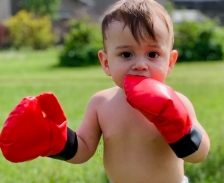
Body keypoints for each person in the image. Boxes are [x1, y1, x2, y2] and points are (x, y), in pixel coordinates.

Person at [0, 0, 210, 183]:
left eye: (153, 54)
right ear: (106, 62)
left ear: (170, 62)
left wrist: (180, 128)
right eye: (127, 54)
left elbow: (199, 155)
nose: (140, 64)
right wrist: (56, 140)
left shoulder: (177, 102)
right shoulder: (101, 103)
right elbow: (83, 150)